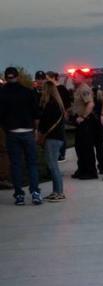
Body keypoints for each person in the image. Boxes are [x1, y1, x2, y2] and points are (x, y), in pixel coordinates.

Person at [0, 67, 42, 205]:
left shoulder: (2, 93)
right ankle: (35, 192)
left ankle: (19, 195)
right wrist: (36, 130)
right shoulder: (28, 92)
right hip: (27, 131)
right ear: (18, 76)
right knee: (32, 164)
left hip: (12, 133)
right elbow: (36, 113)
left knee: (16, 165)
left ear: (6, 77)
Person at [37, 80, 67, 201]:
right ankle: (56, 191)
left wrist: (39, 134)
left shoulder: (50, 105)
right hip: (58, 137)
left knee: (53, 165)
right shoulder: (58, 105)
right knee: (52, 164)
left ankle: (59, 192)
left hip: (52, 138)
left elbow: (44, 123)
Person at [69, 71, 99, 179]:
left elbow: (90, 104)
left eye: (75, 77)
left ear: (81, 77)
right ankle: (82, 169)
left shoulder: (84, 88)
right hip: (79, 122)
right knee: (79, 147)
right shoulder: (78, 88)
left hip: (85, 122)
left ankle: (91, 171)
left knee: (87, 147)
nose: (72, 78)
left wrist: (83, 117)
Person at [46, 71, 72, 162]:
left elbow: (67, 103)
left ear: (52, 77)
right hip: (52, 114)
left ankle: (62, 153)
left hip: (61, 114)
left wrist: (66, 113)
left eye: (47, 78)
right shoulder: (49, 89)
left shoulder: (61, 89)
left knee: (61, 133)